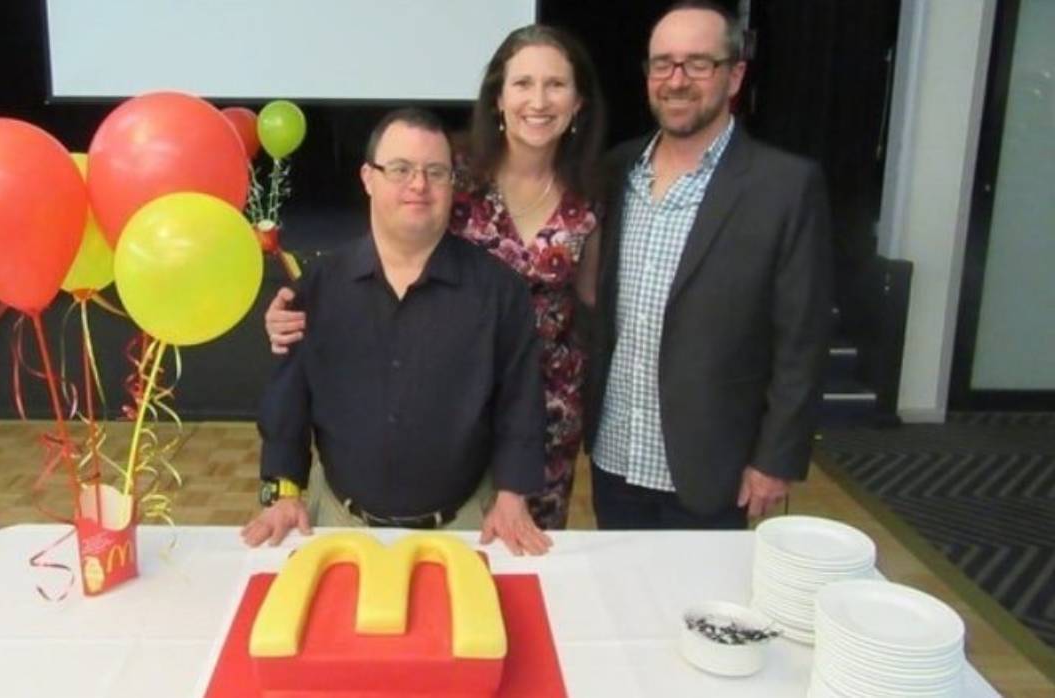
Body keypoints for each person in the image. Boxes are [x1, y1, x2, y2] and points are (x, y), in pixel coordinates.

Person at [265, 25, 607, 530]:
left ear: (578, 102)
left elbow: (592, 300)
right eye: (523, 83)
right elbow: (394, 233)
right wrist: (299, 308)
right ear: (498, 97)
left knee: (514, 542)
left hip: (536, 397)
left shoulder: (590, 191)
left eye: (555, 84)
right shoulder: (452, 166)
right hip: (432, 367)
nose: (419, 184)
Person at [243, 108, 553, 556]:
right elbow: (288, 403)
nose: (419, 185)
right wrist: (283, 493)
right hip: (337, 527)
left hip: (467, 530)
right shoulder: (318, 288)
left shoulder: (499, 290)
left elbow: (520, 404)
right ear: (368, 178)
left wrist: (512, 495)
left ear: (452, 183)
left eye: (435, 172)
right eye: (401, 169)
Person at [583, 0, 833, 530]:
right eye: (663, 64)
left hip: (712, 469)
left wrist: (776, 458)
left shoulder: (784, 186)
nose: (677, 80)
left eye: (698, 64)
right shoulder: (614, 170)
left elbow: (802, 338)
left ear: (734, 75)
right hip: (615, 455)